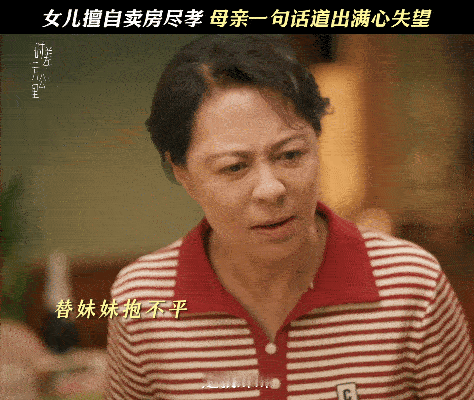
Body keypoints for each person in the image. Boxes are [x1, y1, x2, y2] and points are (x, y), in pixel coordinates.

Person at [105, 35, 474, 400]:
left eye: (291, 155)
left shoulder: (411, 286)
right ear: (182, 173)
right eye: (234, 167)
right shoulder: (142, 302)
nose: (271, 189)